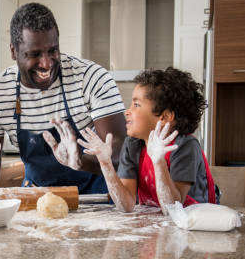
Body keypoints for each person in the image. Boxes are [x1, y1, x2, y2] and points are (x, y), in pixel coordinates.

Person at [0, 2, 126, 194]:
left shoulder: (91, 78)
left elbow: (121, 155)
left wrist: (80, 161)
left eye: (53, 50)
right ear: (13, 51)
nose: (46, 63)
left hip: (97, 198)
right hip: (37, 199)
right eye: (34, 54)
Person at [79, 67, 217, 213]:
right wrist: (105, 163)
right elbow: (126, 205)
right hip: (156, 222)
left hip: (195, 223)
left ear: (164, 117)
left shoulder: (185, 147)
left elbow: (173, 209)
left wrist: (159, 162)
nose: (127, 111)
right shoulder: (133, 144)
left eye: (136, 105)